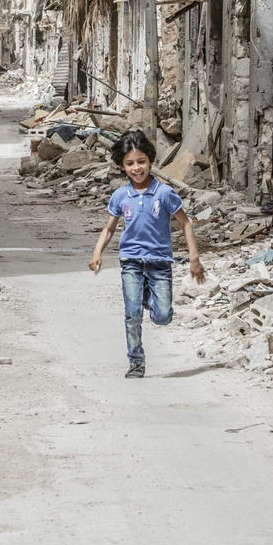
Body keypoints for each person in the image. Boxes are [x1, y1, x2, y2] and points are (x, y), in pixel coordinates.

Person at [88, 129, 206, 378]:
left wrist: (194, 259)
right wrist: (97, 253)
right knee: (132, 315)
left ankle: (146, 299)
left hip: (160, 263)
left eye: (141, 162)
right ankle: (136, 362)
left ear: (151, 161)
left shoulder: (164, 193)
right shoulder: (121, 195)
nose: (136, 168)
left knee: (162, 316)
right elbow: (109, 228)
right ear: (122, 166)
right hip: (130, 262)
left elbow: (185, 223)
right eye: (130, 163)